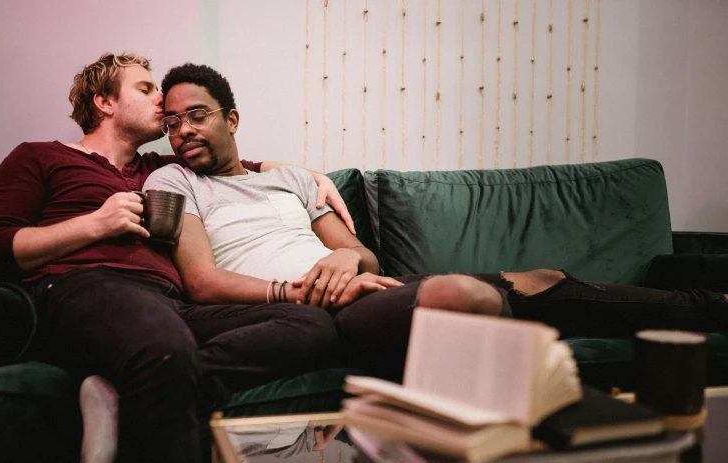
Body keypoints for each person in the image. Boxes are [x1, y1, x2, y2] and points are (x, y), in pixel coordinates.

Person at [144, 62, 728, 383]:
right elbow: (200, 281)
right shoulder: (172, 183)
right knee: (462, 294)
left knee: (544, 279)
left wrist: (346, 259)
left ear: (232, 118)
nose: (183, 131)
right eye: (171, 123)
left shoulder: (293, 179)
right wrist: (304, 288)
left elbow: (362, 256)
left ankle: (706, 306)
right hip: (297, 309)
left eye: (196, 116)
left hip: (356, 288)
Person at [0, 52, 354, 463]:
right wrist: (95, 224)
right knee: (164, 347)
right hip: (88, 286)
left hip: (173, 303)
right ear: (104, 101)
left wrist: (311, 177)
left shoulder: (161, 167)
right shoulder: (39, 156)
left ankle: (124, 391)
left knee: (312, 323)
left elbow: (236, 161)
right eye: (145, 88)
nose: (162, 100)